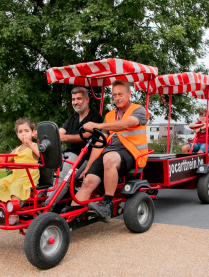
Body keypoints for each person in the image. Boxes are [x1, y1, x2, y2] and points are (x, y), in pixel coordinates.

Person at [63, 80, 149, 222]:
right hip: (109, 153)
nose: (117, 98)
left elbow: (127, 124)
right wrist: (89, 167)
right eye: (114, 95)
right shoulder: (109, 115)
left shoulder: (139, 110)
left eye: (120, 94)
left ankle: (106, 204)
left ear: (129, 94)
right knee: (88, 181)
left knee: (109, 158)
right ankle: (68, 218)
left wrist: (97, 124)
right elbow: (100, 142)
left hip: (132, 154)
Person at [44, 87, 103, 211]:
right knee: (44, 166)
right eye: (73, 99)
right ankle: (35, 201)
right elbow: (59, 131)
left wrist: (62, 137)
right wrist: (46, 135)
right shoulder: (73, 117)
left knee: (64, 174)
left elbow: (85, 137)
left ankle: (45, 207)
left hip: (84, 156)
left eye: (79, 99)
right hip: (68, 154)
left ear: (87, 99)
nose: (76, 102)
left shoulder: (95, 117)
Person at [0, 119, 40, 225]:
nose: (23, 134)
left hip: (28, 177)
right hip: (16, 176)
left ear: (33, 132)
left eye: (26, 131)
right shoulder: (17, 149)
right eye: (20, 132)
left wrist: (30, 145)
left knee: (15, 186)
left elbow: (40, 155)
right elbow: (5, 160)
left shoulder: (34, 146)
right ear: (17, 135)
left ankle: (14, 214)